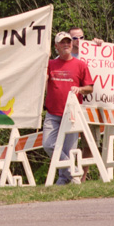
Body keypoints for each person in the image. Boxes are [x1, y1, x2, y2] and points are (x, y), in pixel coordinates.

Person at [44, 32, 94, 184]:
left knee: (70, 151)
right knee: (48, 144)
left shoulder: (80, 65)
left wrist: (80, 90)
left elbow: (90, 88)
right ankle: (73, 174)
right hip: (52, 113)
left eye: (68, 42)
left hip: (72, 114)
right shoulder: (49, 64)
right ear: (56, 46)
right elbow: (41, 83)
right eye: (62, 42)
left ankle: (63, 181)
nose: (66, 44)